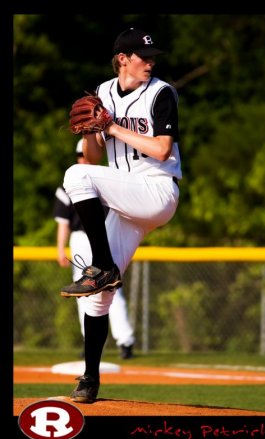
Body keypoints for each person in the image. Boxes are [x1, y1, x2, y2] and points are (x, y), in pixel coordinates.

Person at [60, 27, 182, 403]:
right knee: (96, 300)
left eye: (152, 57)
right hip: (126, 200)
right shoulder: (104, 92)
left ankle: (103, 267)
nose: (151, 62)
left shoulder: (161, 93)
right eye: (144, 56)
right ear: (122, 59)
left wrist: (110, 126)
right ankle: (90, 380)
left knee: (75, 175)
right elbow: (95, 157)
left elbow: (162, 151)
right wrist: (91, 133)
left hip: (157, 191)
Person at [53, 139, 135, 359]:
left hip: (104, 234)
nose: (83, 158)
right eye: (80, 154)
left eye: (85, 154)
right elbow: (63, 222)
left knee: (111, 289)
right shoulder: (69, 184)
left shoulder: (106, 180)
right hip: (79, 240)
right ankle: (89, 343)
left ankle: (124, 340)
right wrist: (60, 248)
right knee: (84, 293)